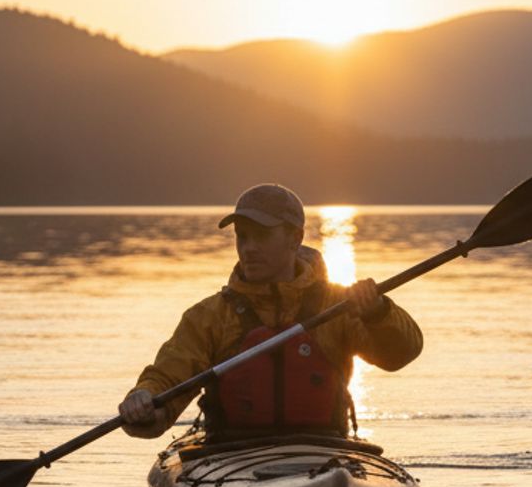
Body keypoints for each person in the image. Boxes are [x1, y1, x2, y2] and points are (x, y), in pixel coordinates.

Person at [118, 183, 423, 441]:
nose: (248, 247)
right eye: (242, 236)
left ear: (295, 238)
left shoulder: (338, 306)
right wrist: (143, 401)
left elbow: (402, 353)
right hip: (230, 456)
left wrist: (378, 312)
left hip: (324, 452)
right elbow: (167, 379)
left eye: (261, 235)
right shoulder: (210, 316)